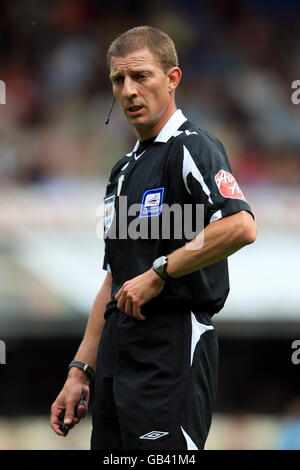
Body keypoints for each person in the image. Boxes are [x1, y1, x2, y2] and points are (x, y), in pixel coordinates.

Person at [50, 25, 257, 450]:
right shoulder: (122, 170)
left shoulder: (192, 147)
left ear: (172, 78)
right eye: (117, 80)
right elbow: (114, 278)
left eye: (141, 76)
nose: (128, 91)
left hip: (172, 348)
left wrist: (161, 270)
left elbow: (240, 226)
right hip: (115, 358)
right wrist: (79, 371)